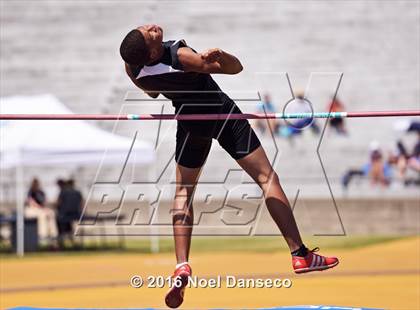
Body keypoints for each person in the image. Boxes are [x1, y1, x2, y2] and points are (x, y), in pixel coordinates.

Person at [120, 25, 339, 308]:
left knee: (184, 192)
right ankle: (300, 253)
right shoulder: (180, 56)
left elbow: (153, 94)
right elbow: (236, 69)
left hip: (190, 122)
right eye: (150, 34)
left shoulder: (134, 70)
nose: (152, 27)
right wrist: (222, 56)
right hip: (220, 113)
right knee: (266, 178)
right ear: (152, 51)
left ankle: (182, 265)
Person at [25, 178, 58, 246]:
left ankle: (54, 236)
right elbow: (31, 202)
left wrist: (45, 208)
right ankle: (43, 237)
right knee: (42, 216)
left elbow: (44, 202)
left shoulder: (41, 192)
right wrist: (42, 208)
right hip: (33, 209)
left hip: (41, 209)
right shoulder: (31, 191)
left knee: (51, 213)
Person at [56, 179, 83, 248]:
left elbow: (58, 203)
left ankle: (61, 243)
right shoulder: (78, 192)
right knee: (68, 225)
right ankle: (72, 241)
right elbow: (82, 204)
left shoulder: (64, 192)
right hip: (76, 214)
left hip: (65, 215)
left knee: (60, 222)